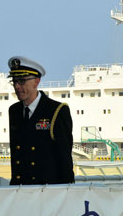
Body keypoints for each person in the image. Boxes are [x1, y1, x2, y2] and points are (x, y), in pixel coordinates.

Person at [7, 56, 74, 185]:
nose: (17, 86)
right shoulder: (14, 111)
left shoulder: (56, 110)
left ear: (36, 81)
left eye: (22, 81)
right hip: (20, 189)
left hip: (47, 190)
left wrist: (67, 190)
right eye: (14, 81)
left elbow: (64, 158)